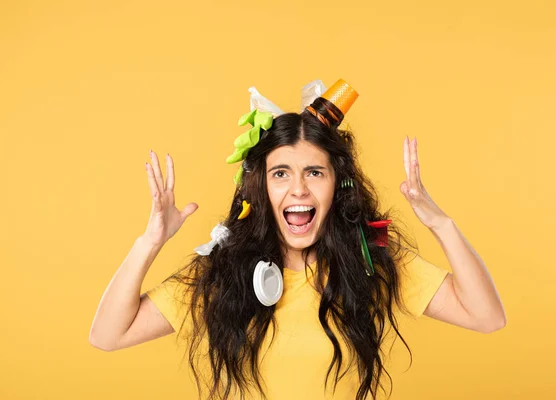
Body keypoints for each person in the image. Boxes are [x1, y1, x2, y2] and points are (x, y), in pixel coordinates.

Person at [89, 79, 506, 400]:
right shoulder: (224, 274)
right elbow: (108, 336)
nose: (299, 190)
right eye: (281, 173)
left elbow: (487, 317)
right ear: (261, 188)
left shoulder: (370, 261)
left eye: (314, 172)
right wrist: (149, 242)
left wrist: (442, 225)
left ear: (336, 185)